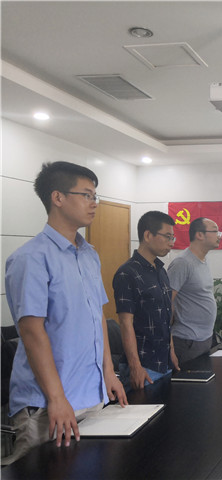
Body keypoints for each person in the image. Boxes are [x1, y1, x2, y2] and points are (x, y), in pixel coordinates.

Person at [3, 161, 127, 465]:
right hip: (48, 405)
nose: (94, 203)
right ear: (57, 197)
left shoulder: (89, 254)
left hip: (90, 396)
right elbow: (32, 332)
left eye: (95, 196)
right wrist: (57, 398)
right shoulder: (31, 258)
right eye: (86, 195)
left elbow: (98, 317)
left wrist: (108, 372)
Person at [113, 211, 179, 391]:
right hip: (144, 366)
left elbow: (165, 317)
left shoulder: (161, 271)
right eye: (167, 237)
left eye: (173, 237)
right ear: (148, 235)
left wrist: (172, 351)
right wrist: (135, 366)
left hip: (164, 362)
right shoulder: (127, 273)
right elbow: (125, 323)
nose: (171, 243)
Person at [168, 217, 221, 364]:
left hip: (205, 338)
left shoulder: (204, 260)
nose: (219, 236)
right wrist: (169, 344)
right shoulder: (182, 263)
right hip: (187, 340)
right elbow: (166, 302)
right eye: (215, 231)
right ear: (199, 235)